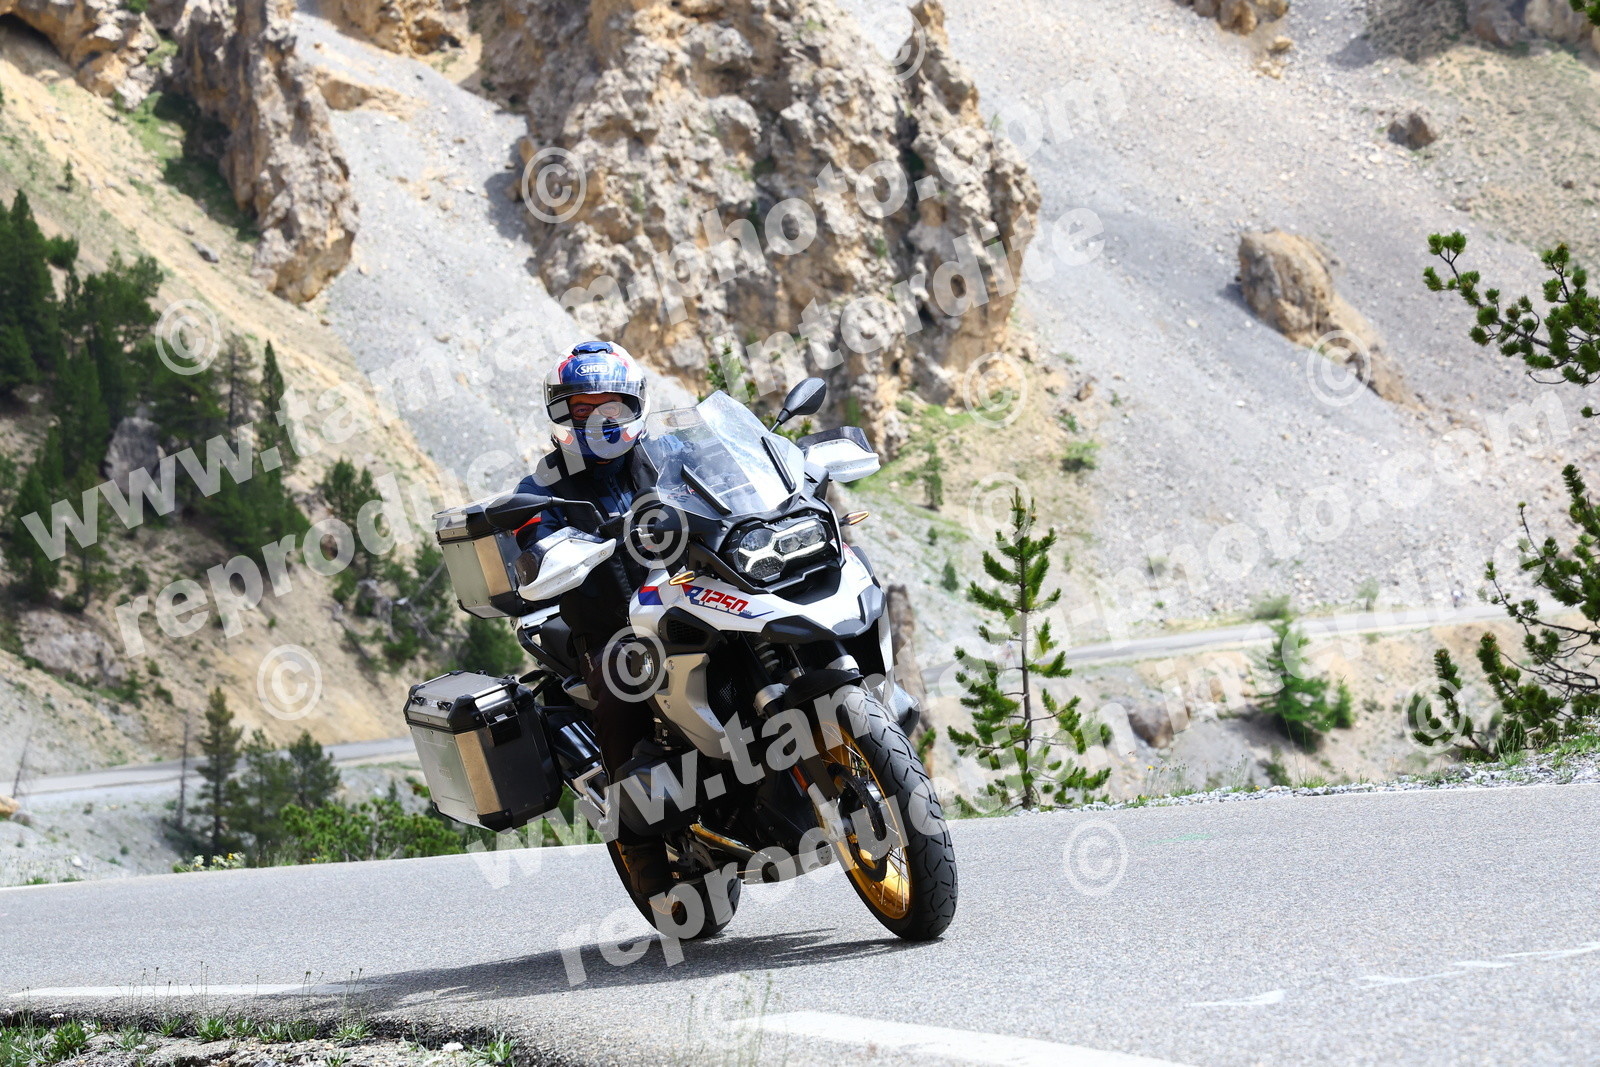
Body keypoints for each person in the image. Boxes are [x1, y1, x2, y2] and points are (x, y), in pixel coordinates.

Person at [511, 341, 677, 909]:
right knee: (620, 689)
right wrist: (547, 549)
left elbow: (724, 479)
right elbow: (531, 537)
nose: (599, 417)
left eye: (611, 403)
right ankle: (640, 843)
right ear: (563, 413)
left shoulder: (666, 455)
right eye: (583, 407)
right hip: (611, 626)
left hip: (690, 601)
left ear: (633, 405)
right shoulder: (542, 485)